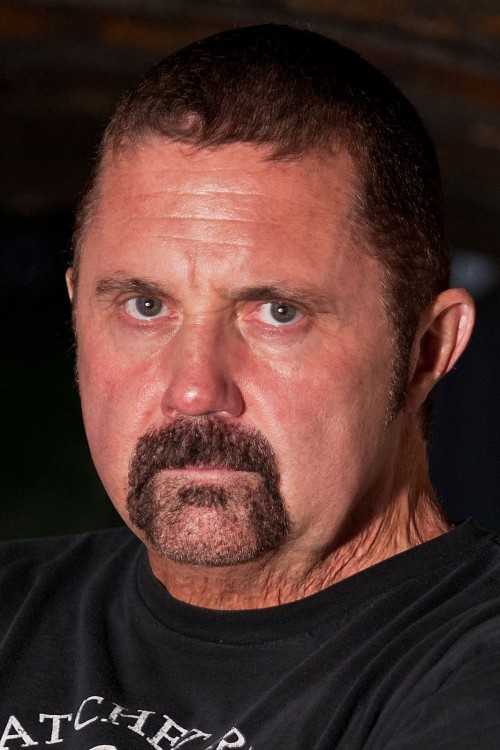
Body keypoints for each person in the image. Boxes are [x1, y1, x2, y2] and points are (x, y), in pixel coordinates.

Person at [0, 23, 499, 750]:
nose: (194, 390)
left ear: (428, 350)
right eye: (146, 306)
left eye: (278, 313)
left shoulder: (472, 677)